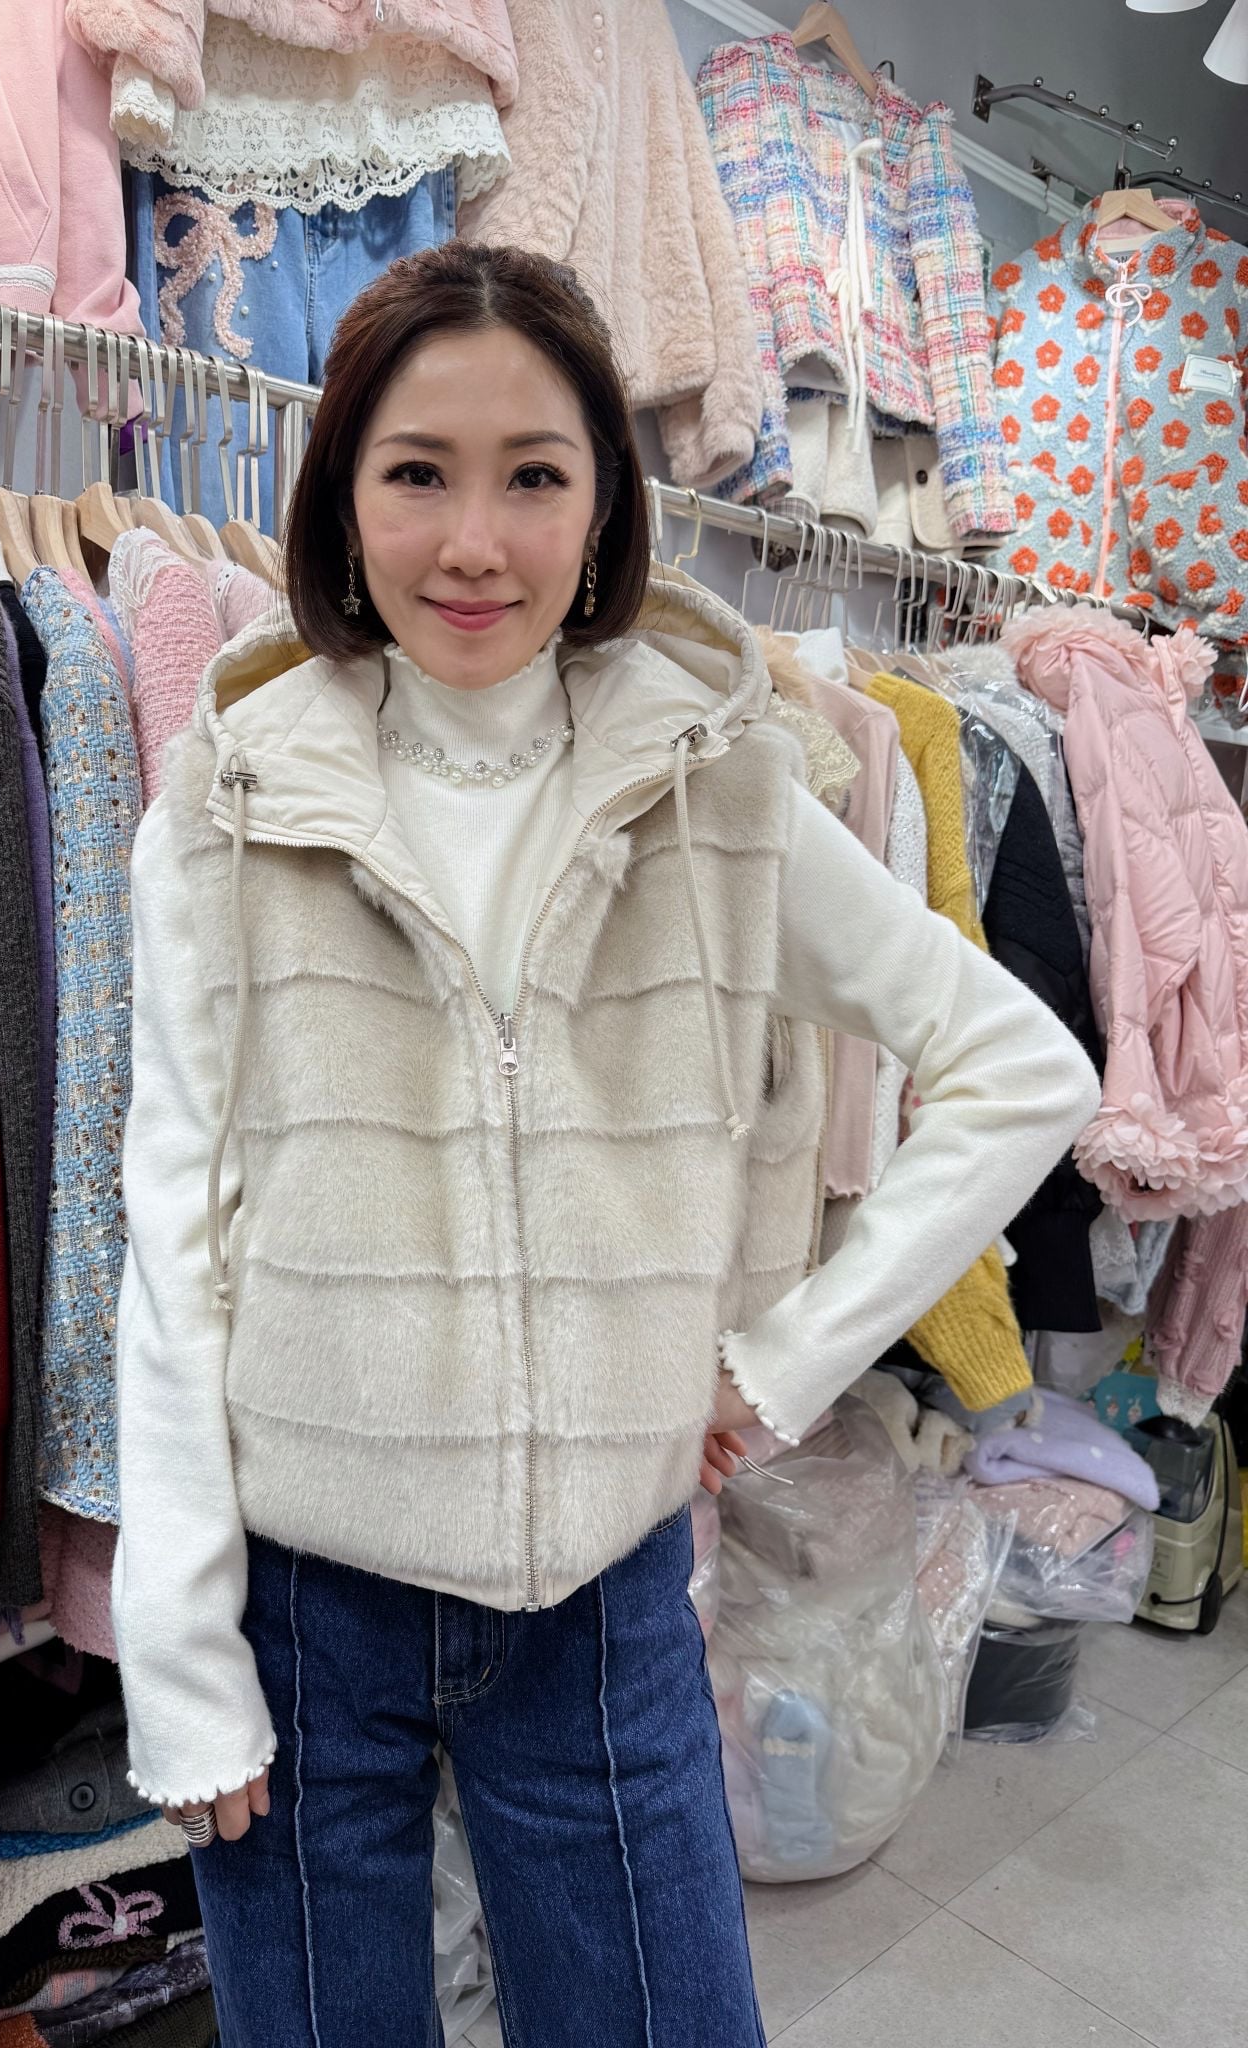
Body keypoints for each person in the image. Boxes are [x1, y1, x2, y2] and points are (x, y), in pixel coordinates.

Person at [112, 241, 1099, 2045]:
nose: (473, 543)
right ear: (341, 493)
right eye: (418, 473)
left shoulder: (721, 784)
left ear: (603, 507)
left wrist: (785, 1357)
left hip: (603, 1597)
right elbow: (173, 1227)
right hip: (304, 1597)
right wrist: (179, 1659)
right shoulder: (230, 801)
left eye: (534, 476)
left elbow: (1021, 1067)